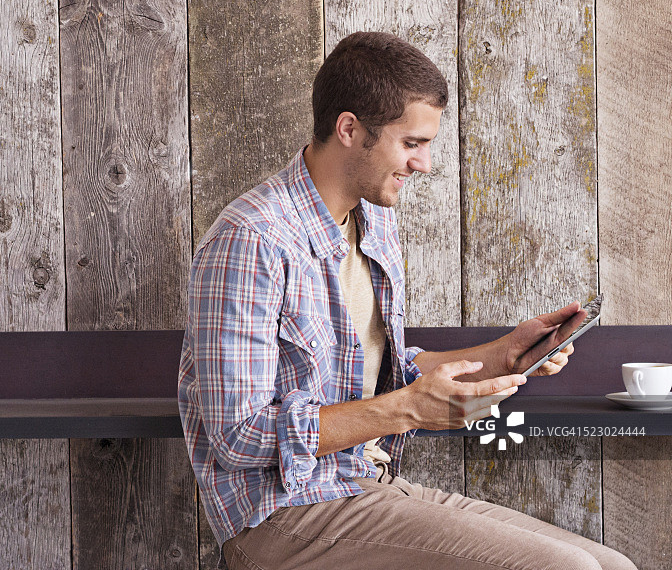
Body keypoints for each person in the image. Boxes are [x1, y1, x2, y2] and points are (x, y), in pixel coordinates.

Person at [178, 32, 637, 570]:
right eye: (411, 143)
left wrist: (504, 355)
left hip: (364, 483)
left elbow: (379, 371)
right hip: (285, 517)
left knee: (609, 564)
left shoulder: (374, 220)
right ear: (349, 129)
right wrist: (407, 409)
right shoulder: (251, 240)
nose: (423, 163)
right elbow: (237, 435)